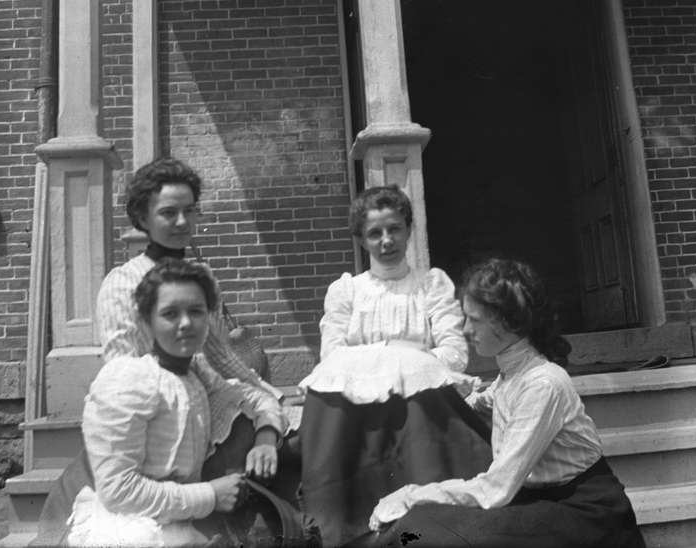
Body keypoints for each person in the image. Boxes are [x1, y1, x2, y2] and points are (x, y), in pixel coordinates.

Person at [363, 258, 645, 548]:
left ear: (508, 321)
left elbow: (495, 490)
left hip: (584, 514)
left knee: (421, 534)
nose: (465, 330)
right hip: (538, 499)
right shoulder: (512, 376)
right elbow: (486, 401)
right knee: (417, 527)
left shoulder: (543, 384)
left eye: (474, 319)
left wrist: (410, 494)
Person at [297, 185, 493, 546]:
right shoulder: (347, 292)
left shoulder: (431, 285)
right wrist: (390, 358)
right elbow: (332, 357)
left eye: (395, 229)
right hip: (358, 413)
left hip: (419, 407)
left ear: (408, 229)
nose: (386, 240)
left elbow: (454, 353)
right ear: (361, 240)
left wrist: (399, 362)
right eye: (375, 233)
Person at [66, 258, 287, 547]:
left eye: (196, 311)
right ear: (147, 321)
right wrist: (209, 495)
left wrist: (266, 437)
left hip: (181, 521)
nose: (186, 323)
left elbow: (257, 398)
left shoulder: (196, 373)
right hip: (133, 531)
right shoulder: (127, 380)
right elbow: (119, 492)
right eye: (170, 314)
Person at [96, 157, 267, 388]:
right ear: (143, 218)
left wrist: (269, 393)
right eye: (168, 213)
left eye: (189, 210)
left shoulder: (201, 277)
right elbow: (121, 370)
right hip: (148, 405)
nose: (182, 222)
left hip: (200, 396)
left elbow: (219, 355)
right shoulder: (123, 283)